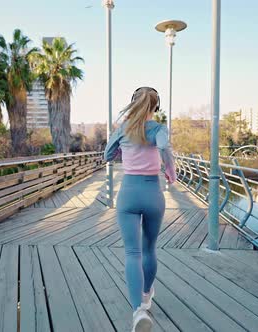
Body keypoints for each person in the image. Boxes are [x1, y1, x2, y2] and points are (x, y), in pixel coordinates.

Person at [104, 87, 176, 332]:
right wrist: (171, 173)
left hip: (128, 194)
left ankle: (138, 311)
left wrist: (121, 150)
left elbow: (108, 155)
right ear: (156, 107)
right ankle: (146, 294)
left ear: (133, 104)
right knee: (149, 248)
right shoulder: (159, 129)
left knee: (132, 253)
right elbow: (165, 148)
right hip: (153, 193)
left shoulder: (123, 129)